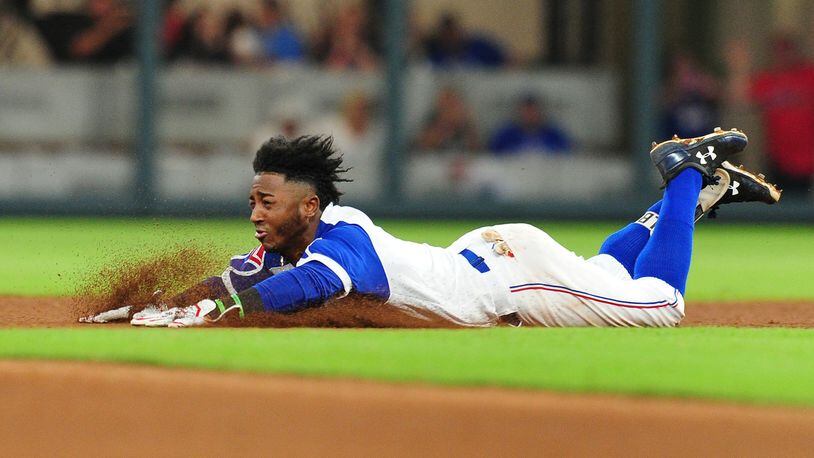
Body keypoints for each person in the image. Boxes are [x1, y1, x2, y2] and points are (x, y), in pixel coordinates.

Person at [81, 129, 781, 328]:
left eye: (270, 202)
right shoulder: (293, 241)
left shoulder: (337, 244)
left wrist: (226, 314)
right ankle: (694, 197)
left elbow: (313, 285)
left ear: (309, 207)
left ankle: (685, 173)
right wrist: (154, 307)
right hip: (496, 259)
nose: (256, 212)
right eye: (254, 201)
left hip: (510, 279)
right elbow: (234, 280)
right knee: (606, 273)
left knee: (660, 303)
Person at [727, 34, 814, 195]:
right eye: (778, 52)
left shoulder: (809, 76)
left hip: (807, 160)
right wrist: (739, 64)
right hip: (777, 158)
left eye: (787, 51)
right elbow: (739, 98)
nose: (783, 56)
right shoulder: (769, 79)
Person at [488, 95, 571, 155]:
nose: (530, 116)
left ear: (540, 112)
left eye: (533, 111)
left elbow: (567, 154)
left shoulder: (554, 135)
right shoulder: (505, 135)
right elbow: (492, 156)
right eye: (526, 112)